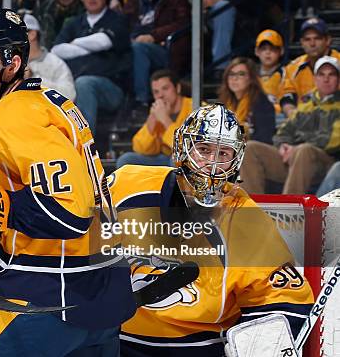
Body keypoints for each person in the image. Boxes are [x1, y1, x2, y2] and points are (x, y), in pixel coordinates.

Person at [0, 9, 135, 355]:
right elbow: (29, 187)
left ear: (12, 63)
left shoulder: (11, 116)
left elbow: (69, 211)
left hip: (46, 298)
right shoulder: (50, 102)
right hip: (101, 297)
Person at [109, 104, 314, 356]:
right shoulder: (127, 185)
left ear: (236, 159)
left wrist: (258, 346)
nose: (212, 164)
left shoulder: (243, 216)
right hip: (117, 342)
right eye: (204, 149)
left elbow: (285, 301)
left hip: (199, 349)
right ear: (182, 148)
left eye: (224, 153)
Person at [240, 55, 340, 195]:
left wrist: (296, 148)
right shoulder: (305, 106)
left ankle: (289, 212)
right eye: (321, 74)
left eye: (331, 75)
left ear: (338, 80)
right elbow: (283, 131)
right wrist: (284, 145)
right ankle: (253, 211)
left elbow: (333, 140)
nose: (326, 79)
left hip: (326, 163)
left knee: (305, 150)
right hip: (295, 159)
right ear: (315, 79)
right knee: (249, 148)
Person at [51, 0, 131, 133]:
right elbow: (57, 50)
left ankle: (84, 144)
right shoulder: (74, 23)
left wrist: (74, 42)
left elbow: (104, 42)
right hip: (74, 84)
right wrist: (90, 46)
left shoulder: (117, 20)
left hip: (112, 89)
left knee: (84, 83)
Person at [116, 69, 192, 168]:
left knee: (177, 159)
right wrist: (152, 119)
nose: (160, 95)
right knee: (126, 160)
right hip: (163, 158)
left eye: (165, 88)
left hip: (189, 161)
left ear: (177, 88)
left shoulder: (195, 107)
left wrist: (165, 119)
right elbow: (140, 149)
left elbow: (187, 148)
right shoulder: (157, 111)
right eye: (156, 92)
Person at [128, 0, 190, 106]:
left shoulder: (176, 1)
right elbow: (124, 22)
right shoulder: (134, 1)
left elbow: (183, 23)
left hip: (165, 48)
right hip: (133, 43)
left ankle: (141, 100)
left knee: (138, 48)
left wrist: (154, 36)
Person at [281, 17, 340, 117]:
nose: (312, 44)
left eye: (317, 38)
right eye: (307, 39)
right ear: (302, 43)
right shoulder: (293, 67)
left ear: (328, 40)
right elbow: (287, 95)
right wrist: (291, 111)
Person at [218, 57, 276, 144]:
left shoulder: (261, 104)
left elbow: (264, 138)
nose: (235, 78)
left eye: (241, 74)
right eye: (231, 74)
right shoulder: (223, 105)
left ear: (251, 79)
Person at [23, 13, 76, 101]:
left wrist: (34, 78)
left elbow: (70, 95)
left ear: (32, 34)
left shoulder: (55, 63)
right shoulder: (11, 63)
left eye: (17, 33)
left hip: (45, 113)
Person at [254, 29, 285, 115]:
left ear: (281, 51)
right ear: (256, 51)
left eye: (273, 49)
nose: (268, 52)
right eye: (264, 49)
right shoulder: (250, 75)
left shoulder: (287, 73)